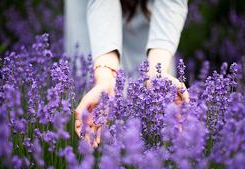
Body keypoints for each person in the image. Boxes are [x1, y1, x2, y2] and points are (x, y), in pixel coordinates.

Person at [65, 0, 189, 147]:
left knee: (157, 93)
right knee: (89, 76)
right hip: (93, 8)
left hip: (150, 11)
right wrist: (106, 76)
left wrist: (156, 73)